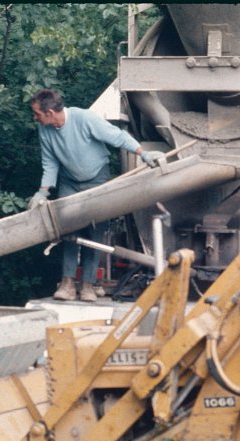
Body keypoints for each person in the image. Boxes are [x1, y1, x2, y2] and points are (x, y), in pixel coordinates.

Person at [28, 88, 164, 302]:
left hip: (96, 178)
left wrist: (143, 153)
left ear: (50, 112)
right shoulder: (45, 130)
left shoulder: (85, 119)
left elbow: (117, 137)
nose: (35, 117)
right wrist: (42, 191)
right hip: (69, 182)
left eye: (37, 113)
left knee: (95, 231)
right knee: (69, 230)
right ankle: (67, 283)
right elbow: (50, 162)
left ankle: (88, 285)